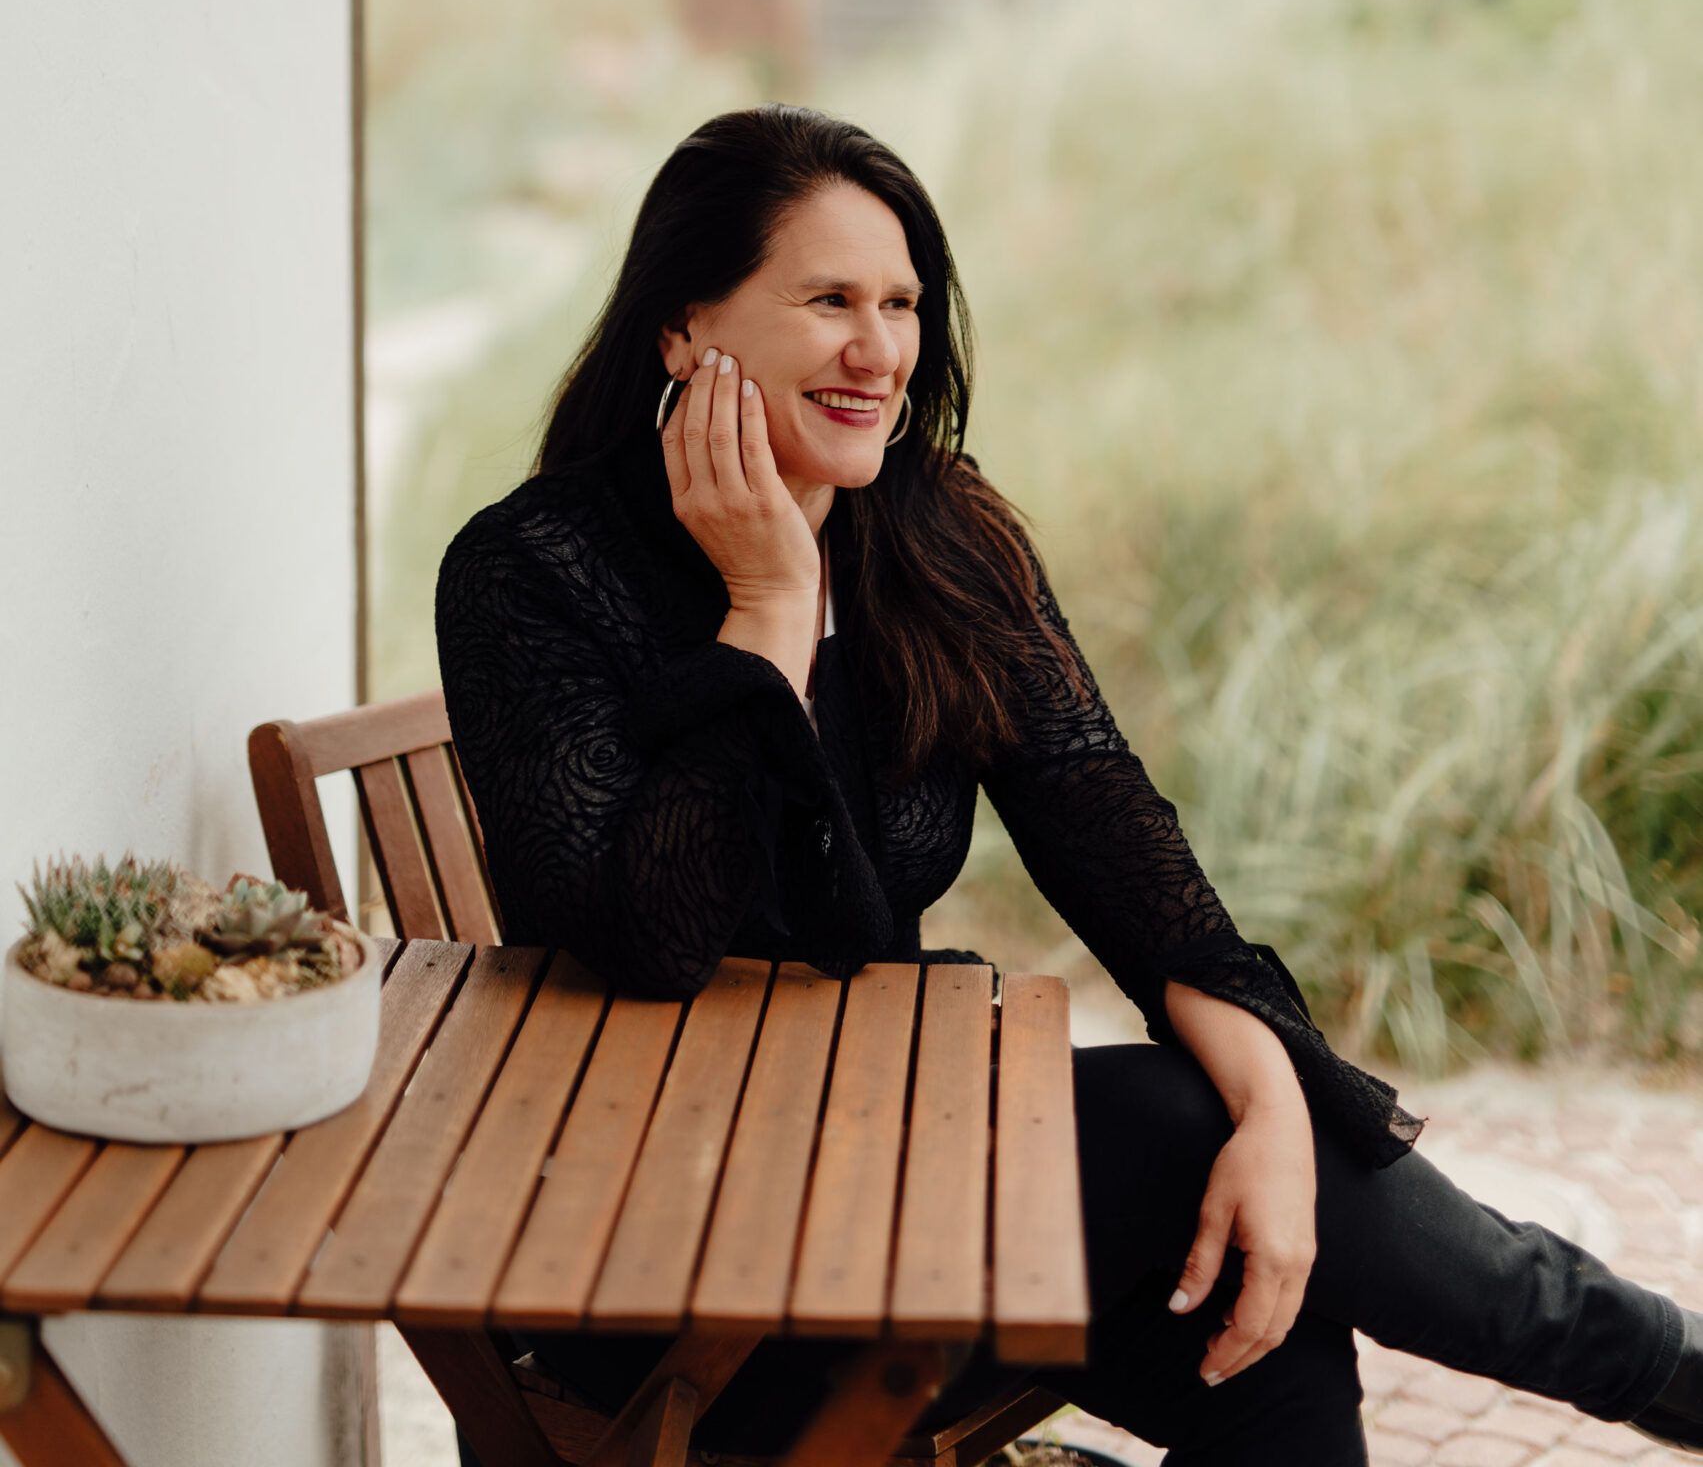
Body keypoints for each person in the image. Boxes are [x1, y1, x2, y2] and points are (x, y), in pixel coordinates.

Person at [436, 104, 1703, 1465]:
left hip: (884, 1185)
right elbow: (651, 943)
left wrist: (1273, 1108)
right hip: (661, 1253)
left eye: (901, 304)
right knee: (1173, 1140)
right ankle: (1662, 1368)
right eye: (828, 301)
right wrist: (766, 613)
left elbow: (1103, 817)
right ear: (686, 329)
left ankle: (1661, 1369)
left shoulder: (932, 534)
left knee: (1260, 1308)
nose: (880, 351)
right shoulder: (536, 571)